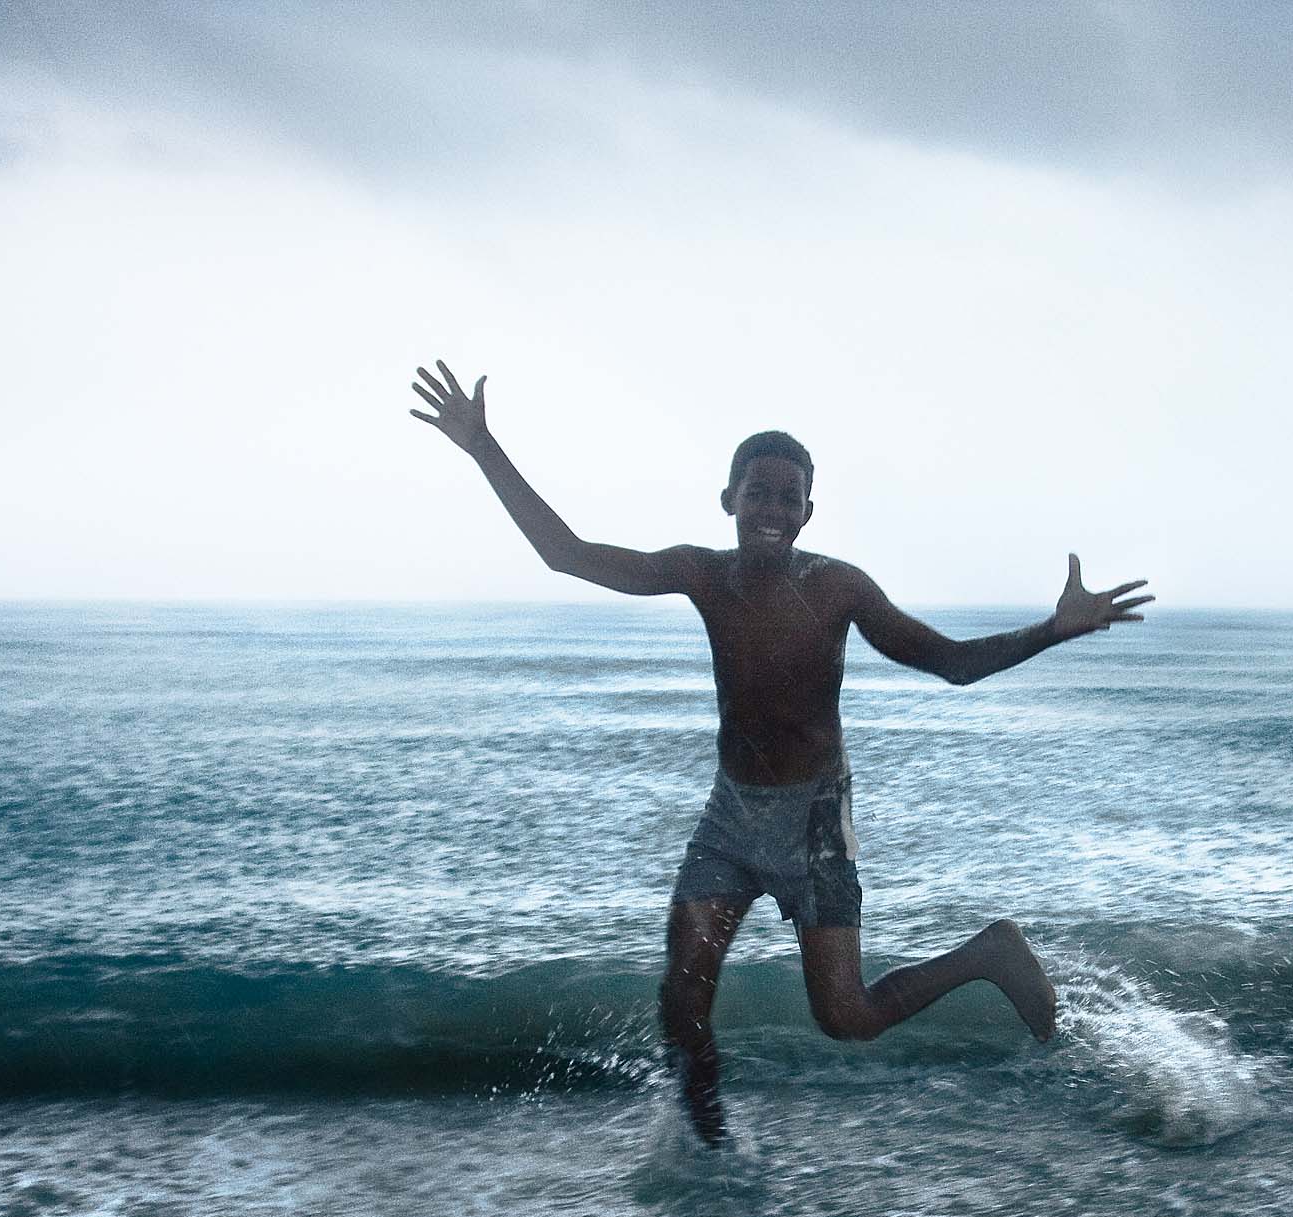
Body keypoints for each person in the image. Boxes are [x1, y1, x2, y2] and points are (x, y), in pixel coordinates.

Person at [409, 360, 1151, 1141]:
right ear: (729, 500)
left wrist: (1053, 629)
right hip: (730, 815)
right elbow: (567, 553)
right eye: (756, 493)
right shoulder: (701, 573)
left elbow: (951, 662)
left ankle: (989, 954)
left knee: (846, 1016)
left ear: (806, 512)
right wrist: (483, 445)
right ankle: (709, 1151)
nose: (770, 508)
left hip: (815, 820)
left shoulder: (838, 589)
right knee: (680, 1001)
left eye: (787, 498)